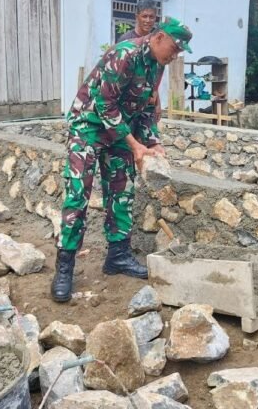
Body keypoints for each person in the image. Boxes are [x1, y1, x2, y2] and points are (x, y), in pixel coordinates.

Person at [51, 19, 193, 303]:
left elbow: (144, 109)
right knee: (78, 193)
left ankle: (118, 256)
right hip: (88, 127)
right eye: (174, 48)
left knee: (122, 191)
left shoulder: (157, 65)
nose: (175, 55)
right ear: (159, 37)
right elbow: (105, 105)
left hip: (119, 130)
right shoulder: (124, 54)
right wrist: (134, 145)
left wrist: (153, 142)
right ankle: (65, 266)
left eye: (179, 51)